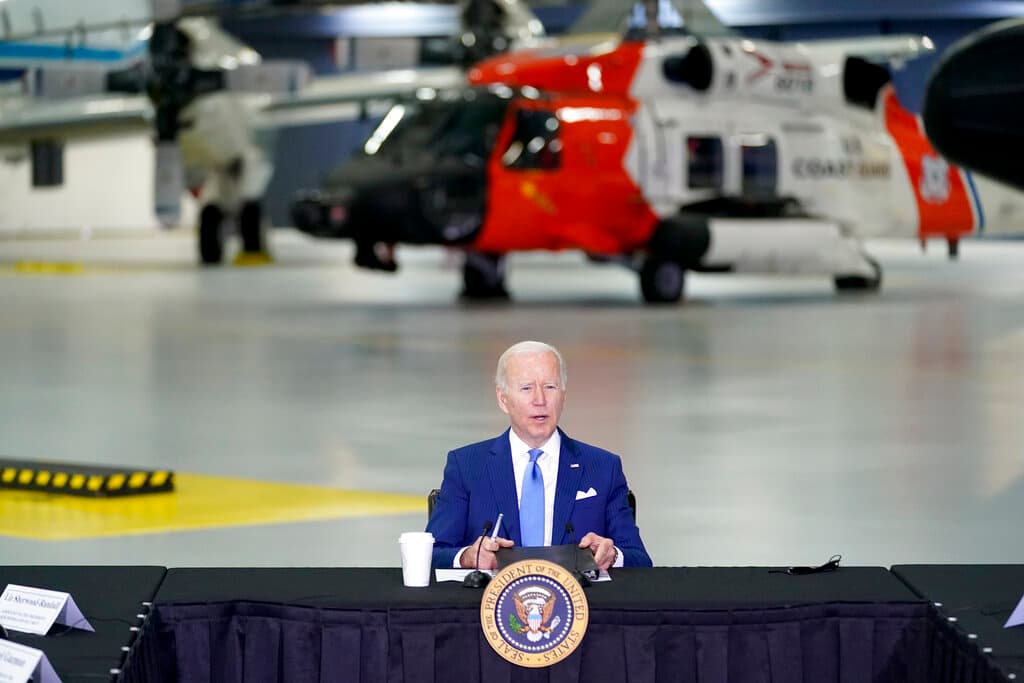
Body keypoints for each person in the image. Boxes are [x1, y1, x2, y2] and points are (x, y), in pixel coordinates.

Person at [426, 340, 652, 570]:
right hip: (490, 603)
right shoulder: (467, 466)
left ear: (563, 395)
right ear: (503, 398)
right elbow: (432, 554)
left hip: (581, 601)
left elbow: (640, 559)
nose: (540, 400)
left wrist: (612, 555)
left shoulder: (603, 467)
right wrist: (467, 557)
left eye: (550, 387)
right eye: (526, 388)